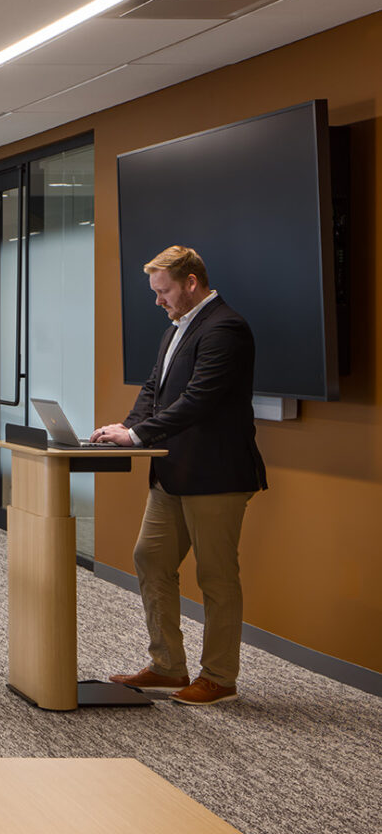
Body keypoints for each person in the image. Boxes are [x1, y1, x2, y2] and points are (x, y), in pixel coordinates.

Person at [91, 245, 265, 706]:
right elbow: (156, 388)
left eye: (163, 291)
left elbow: (198, 400)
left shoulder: (226, 327)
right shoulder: (178, 328)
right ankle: (168, 665)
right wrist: (127, 427)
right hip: (173, 471)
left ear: (191, 283)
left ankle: (220, 677)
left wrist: (138, 436)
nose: (158, 301)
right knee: (150, 558)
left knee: (216, 577)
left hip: (216, 474)